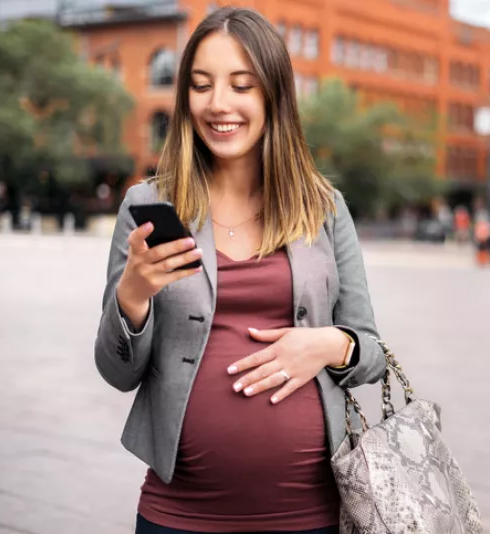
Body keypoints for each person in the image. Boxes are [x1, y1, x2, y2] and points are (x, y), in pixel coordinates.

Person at [93, 7, 387, 534]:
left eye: (241, 85)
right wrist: (132, 295)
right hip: (178, 517)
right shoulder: (150, 204)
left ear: (273, 93)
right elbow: (117, 372)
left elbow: (370, 353)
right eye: (201, 85)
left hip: (310, 517)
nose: (219, 104)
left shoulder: (323, 209)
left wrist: (330, 345)